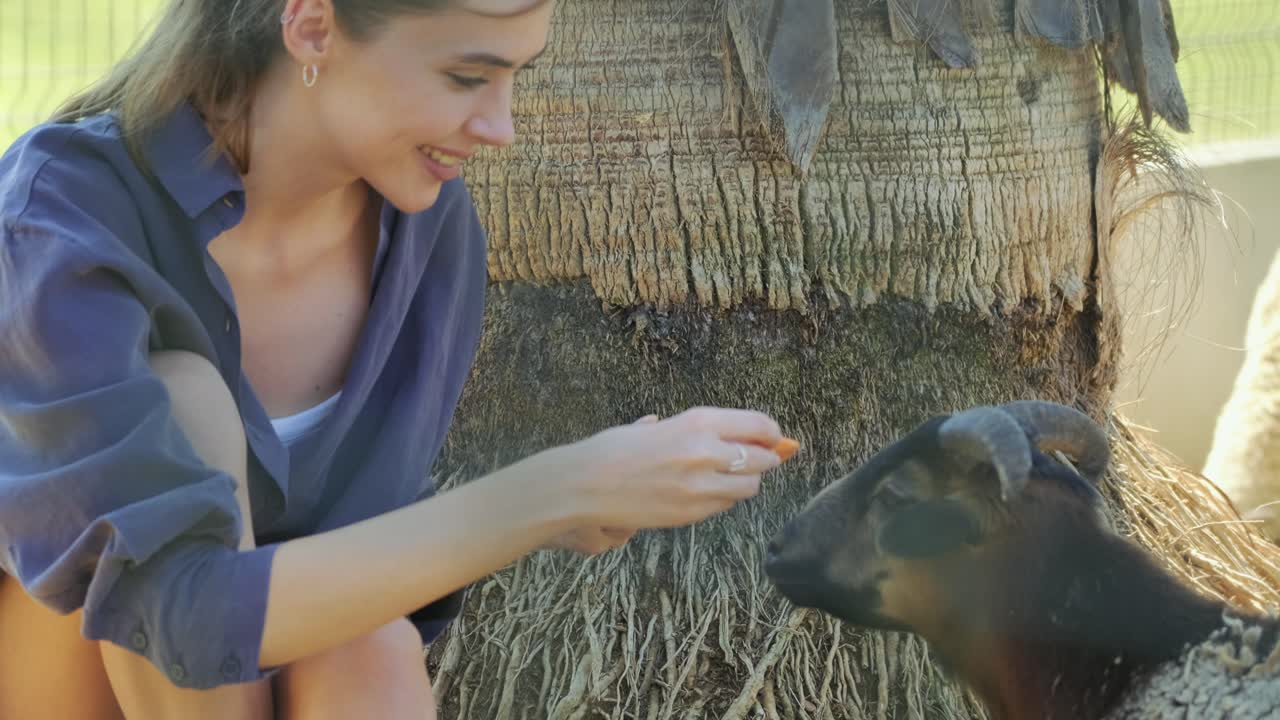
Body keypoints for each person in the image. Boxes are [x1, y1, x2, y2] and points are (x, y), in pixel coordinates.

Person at [0, 0, 789, 718]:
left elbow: (368, 572)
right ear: (312, 26)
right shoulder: (61, 215)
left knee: (369, 649)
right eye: (466, 77)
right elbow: (180, 618)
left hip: (297, 672)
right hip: (76, 670)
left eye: (516, 77)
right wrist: (558, 492)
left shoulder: (430, 231)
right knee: (187, 399)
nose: (501, 127)